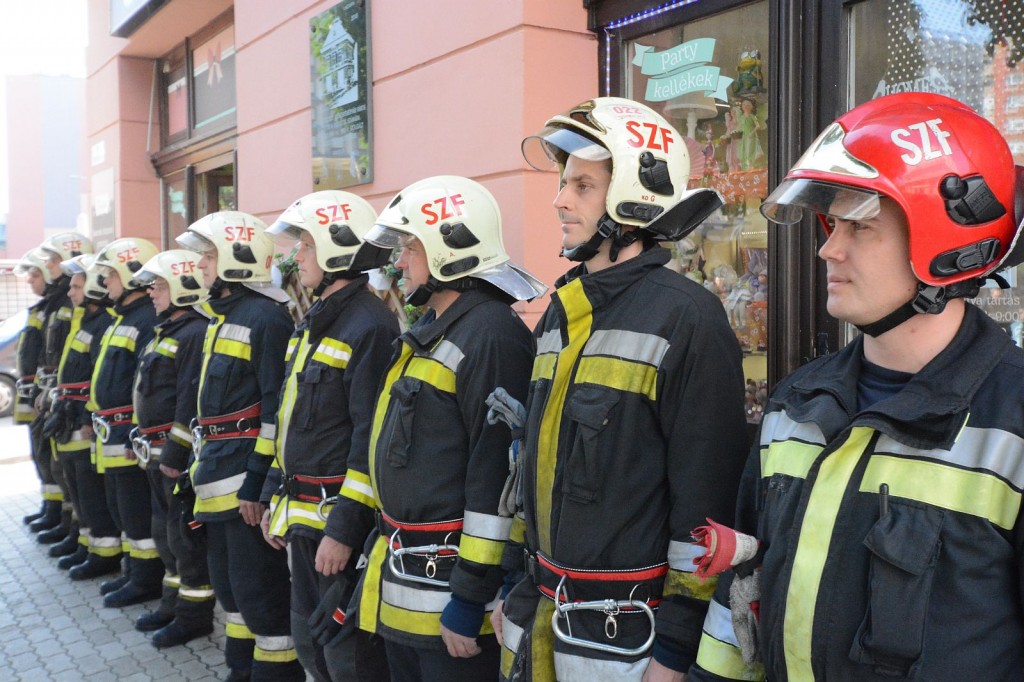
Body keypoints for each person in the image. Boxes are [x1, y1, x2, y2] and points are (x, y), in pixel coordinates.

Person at [687, 92, 1024, 680]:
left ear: (948, 243)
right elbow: (743, 588)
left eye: (861, 227)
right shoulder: (795, 403)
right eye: (832, 224)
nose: (828, 249)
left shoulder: (1012, 421)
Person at [496, 97, 749, 682]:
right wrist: (514, 585)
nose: (560, 200)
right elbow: (534, 469)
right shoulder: (561, 312)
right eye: (564, 183)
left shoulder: (688, 318)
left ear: (635, 198)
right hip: (545, 615)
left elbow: (705, 503)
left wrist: (675, 650)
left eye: (583, 186)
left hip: (629, 642)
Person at [345, 175, 545, 681]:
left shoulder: (491, 335)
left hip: (452, 604)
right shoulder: (434, 330)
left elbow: (497, 479)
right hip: (409, 588)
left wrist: (470, 595)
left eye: (410, 248)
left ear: (449, 251)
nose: (399, 262)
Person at [261, 190, 399, 681]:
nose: (296, 257)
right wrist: (273, 495)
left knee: (347, 658)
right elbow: (291, 418)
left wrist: (343, 530)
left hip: (336, 528)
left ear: (339, 251)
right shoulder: (317, 320)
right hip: (303, 519)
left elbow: (369, 437)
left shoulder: (370, 326)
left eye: (306, 246)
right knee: (310, 646)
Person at [177, 211, 303, 681]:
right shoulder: (222, 316)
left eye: (208, 256)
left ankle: (276, 673)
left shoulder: (265, 319)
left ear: (237, 259)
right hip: (216, 477)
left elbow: (274, 411)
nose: (200, 266)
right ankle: (240, 667)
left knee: (259, 590)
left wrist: (257, 484)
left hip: (244, 486)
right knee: (231, 589)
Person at [129, 249, 217, 648]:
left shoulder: (193, 333)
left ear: (183, 286)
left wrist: (174, 455)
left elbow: (188, 400)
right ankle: (172, 604)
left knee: (184, 539)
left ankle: (194, 617)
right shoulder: (167, 330)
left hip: (173, 458)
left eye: (159, 285)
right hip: (155, 454)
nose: (151, 292)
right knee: (164, 535)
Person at [89, 237, 163, 607]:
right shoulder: (124, 318)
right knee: (122, 509)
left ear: (133, 274)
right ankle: (133, 572)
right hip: (113, 431)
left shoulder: (145, 320)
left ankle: (146, 580)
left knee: (136, 510)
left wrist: (137, 432)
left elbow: (145, 385)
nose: (105, 282)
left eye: (111, 274)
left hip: (128, 434)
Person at [52, 255, 123, 581]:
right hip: (71, 418)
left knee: (92, 494)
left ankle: (104, 553)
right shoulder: (86, 321)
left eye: (77, 286)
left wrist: (85, 417)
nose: (71, 292)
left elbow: (98, 377)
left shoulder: (102, 324)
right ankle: (87, 543)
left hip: (84, 424)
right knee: (80, 492)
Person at [35, 233, 95, 556]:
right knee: (66, 473)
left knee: (83, 484)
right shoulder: (66, 305)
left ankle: (87, 540)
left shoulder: (89, 316)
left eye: (54, 259)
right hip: (64, 404)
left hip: (80, 414)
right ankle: (76, 532)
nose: (48, 265)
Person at [14, 248, 64, 534]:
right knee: (42, 455)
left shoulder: (60, 306)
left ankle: (59, 513)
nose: (30, 280)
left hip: (48, 395)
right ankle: (50, 505)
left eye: (35, 274)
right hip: (38, 392)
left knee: (52, 457)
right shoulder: (46, 307)